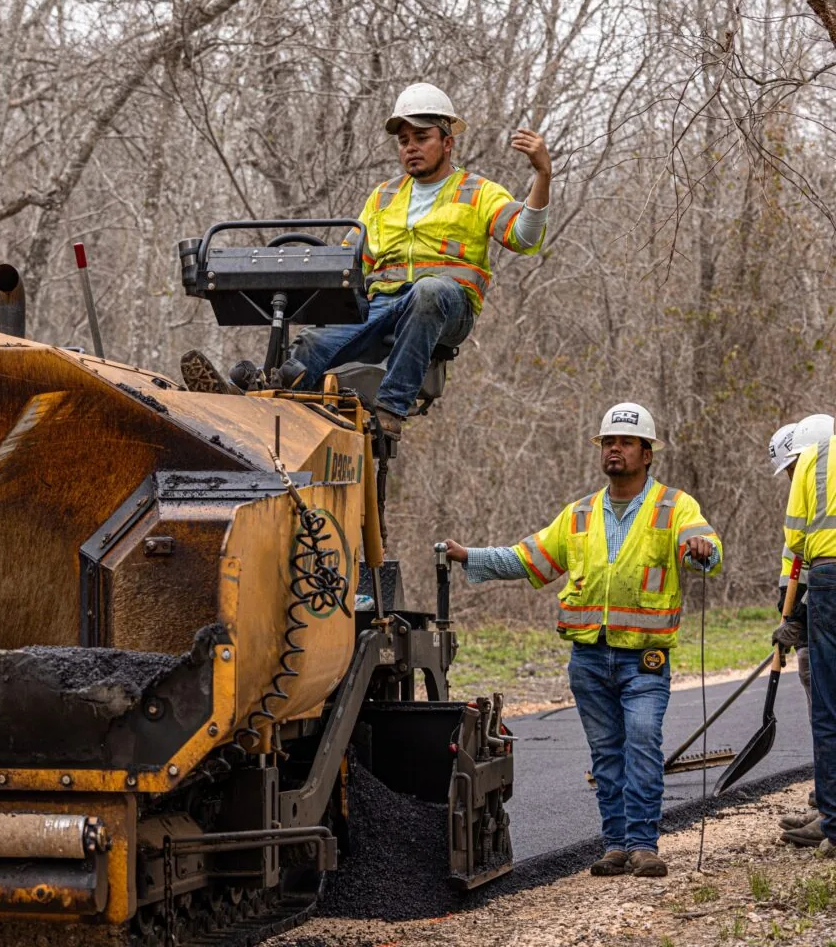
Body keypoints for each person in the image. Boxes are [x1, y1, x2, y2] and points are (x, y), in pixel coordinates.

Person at [443, 402, 722, 877]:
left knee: (642, 741)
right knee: (607, 753)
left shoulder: (676, 507)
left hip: (644, 660)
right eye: (608, 442)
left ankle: (643, 845)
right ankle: (615, 845)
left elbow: (703, 547)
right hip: (589, 658)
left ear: (647, 453)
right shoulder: (579, 514)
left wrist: (702, 550)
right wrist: (470, 556)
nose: (614, 449)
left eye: (625, 442)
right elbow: (528, 559)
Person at [284, 82, 552, 438]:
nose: (411, 147)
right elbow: (348, 260)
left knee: (427, 291)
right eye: (404, 140)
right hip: (383, 305)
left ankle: (391, 408)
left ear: (447, 142)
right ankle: (260, 398)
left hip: (447, 307)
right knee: (314, 342)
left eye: (421, 137)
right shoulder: (383, 196)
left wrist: (542, 174)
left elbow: (524, 237)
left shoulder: (479, 192)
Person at [771, 415, 834, 847]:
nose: (792, 477)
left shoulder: (815, 463)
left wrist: (796, 618)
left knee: (828, 709)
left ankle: (831, 816)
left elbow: (797, 545)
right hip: (817, 597)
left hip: (826, 588)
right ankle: (825, 800)